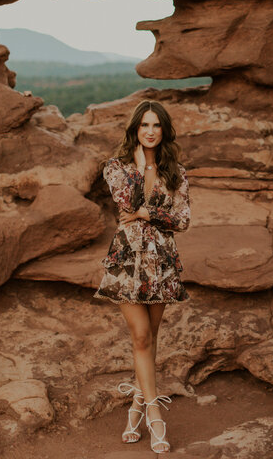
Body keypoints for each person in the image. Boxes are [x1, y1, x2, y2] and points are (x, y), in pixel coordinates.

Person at [93, 99, 191, 454]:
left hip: (162, 263)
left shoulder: (175, 172)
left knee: (150, 339)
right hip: (127, 262)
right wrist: (137, 169)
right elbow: (124, 201)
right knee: (140, 337)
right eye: (144, 125)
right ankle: (154, 414)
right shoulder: (116, 167)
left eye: (156, 125)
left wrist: (145, 214)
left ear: (164, 130)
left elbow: (182, 220)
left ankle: (135, 406)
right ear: (135, 129)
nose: (150, 131)